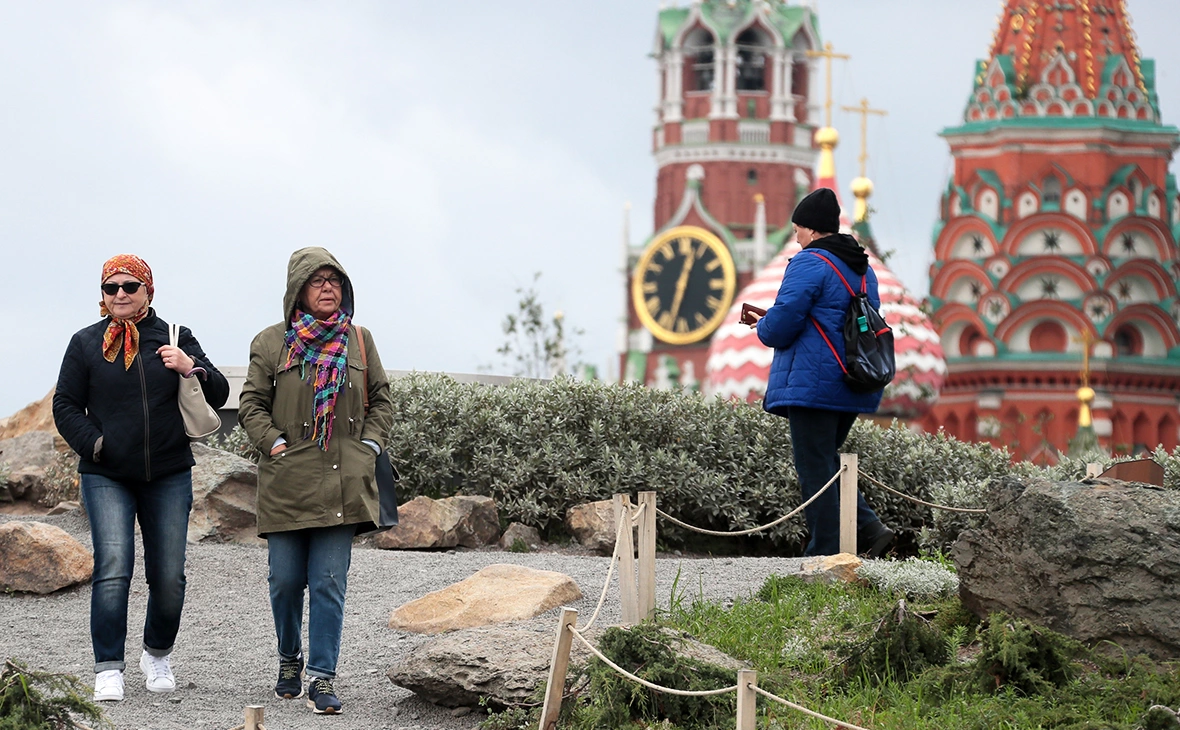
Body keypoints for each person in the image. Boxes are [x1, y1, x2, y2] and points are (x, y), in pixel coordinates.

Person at [53, 254, 229, 702]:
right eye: (111, 288)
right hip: (105, 473)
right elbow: (66, 405)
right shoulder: (85, 343)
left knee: (169, 576)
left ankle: (157, 654)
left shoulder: (175, 336)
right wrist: (96, 444)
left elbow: (221, 393)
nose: (120, 295)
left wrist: (190, 366)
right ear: (103, 296)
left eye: (130, 286)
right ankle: (109, 666)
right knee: (113, 569)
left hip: (168, 472)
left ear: (148, 290)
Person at [238, 247, 393, 715]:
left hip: (342, 481)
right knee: (285, 581)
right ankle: (290, 660)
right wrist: (275, 445)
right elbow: (250, 405)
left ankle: (322, 677)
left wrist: (370, 445)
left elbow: (382, 400)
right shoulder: (271, 342)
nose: (328, 287)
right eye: (317, 280)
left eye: (334, 280)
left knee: (328, 581)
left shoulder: (359, 340)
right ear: (297, 291)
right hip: (287, 481)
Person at [747, 188, 895, 558]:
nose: (795, 236)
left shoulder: (809, 261)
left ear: (812, 230)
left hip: (814, 383)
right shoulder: (863, 268)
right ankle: (870, 528)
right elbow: (833, 319)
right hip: (854, 378)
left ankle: (825, 550)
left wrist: (762, 327)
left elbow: (782, 325)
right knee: (827, 461)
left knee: (814, 467)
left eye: (797, 228)